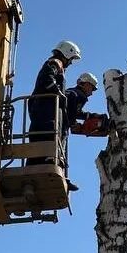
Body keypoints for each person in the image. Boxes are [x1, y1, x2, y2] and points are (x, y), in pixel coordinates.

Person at [27, 40, 81, 191]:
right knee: (46, 140)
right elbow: (46, 80)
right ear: (67, 53)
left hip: (48, 113)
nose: (71, 63)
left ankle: (55, 172)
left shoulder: (57, 66)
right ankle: (47, 169)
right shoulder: (54, 63)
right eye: (71, 59)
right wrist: (59, 94)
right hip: (46, 113)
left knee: (46, 145)